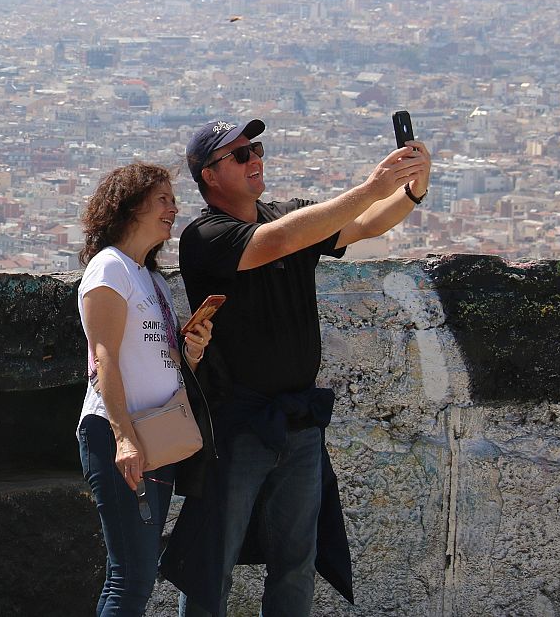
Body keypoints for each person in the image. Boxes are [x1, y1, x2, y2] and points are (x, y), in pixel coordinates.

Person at [162, 117, 431, 617]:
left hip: (300, 421)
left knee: (296, 560)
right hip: (237, 421)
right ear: (209, 176)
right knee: (211, 561)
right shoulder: (206, 235)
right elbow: (274, 243)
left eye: (255, 149)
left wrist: (414, 188)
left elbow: (368, 224)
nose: (254, 160)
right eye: (239, 156)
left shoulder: (288, 215)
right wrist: (372, 187)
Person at [76, 161, 216, 616]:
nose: (174, 210)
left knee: (139, 573)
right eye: (163, 200)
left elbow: (164, 361)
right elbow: (104, 358)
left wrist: (193, 349)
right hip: (120, 433)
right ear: (129, 207)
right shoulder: (108, 269)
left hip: (157, 434)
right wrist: (122, 437)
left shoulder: (152, 280)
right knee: (130, 577)